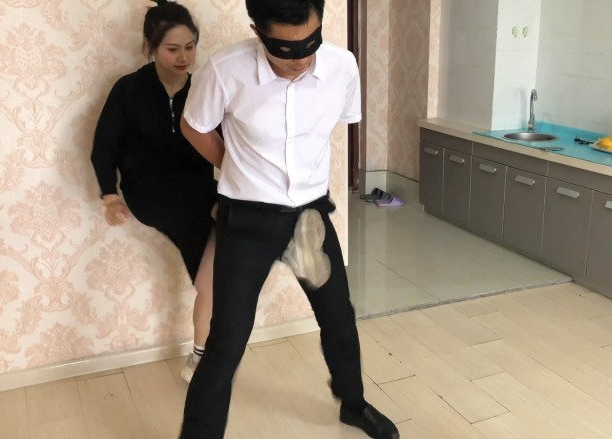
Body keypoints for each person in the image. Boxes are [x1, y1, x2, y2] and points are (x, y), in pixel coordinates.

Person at [177, 1, 400, 438]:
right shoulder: (225, 70)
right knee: (227, 340)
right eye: (284, 48)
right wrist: (235, 166)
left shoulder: (341, 66)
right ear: (257, 32)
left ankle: (353, 405)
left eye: (310, 43)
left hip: (308, 221)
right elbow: (193, 126)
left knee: (338, 318)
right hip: (247, 222)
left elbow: (333, 124)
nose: (300, 59)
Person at [90, 0, 216, 383]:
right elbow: (103, 146)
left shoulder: (203, 88)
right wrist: (109, 195)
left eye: (190, 47)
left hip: (198, 189)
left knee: (219, 264)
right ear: (151, 47)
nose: (184, 57)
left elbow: (227, 143)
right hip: (149, 191)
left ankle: (202, 354)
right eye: (173, 49)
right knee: (213, 242)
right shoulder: (129, 89)